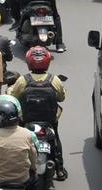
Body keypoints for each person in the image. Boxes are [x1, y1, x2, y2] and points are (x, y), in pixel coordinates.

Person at [9, 46, 68, 181]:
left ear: (29, 61)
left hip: (26, 120)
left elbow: (14, 97)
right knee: (55, 138)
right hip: (50, 120)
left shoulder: (23, 80)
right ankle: (59, 169)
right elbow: (61, 98)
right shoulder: (54, 80)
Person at [0, 96, 39, 190]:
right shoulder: (27, 133)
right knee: (36, 180)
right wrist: (34, 169)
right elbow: (33, 156)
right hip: (23, 179)